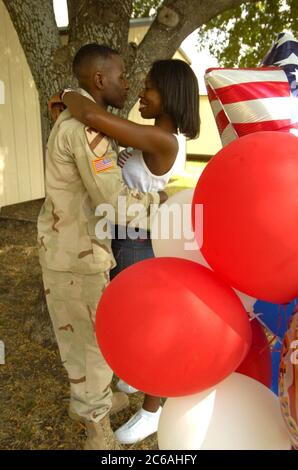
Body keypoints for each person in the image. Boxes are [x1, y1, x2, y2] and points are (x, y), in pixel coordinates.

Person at [61, 58, 200, 444]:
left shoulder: (162, 141)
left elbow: (90, 113)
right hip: (125, 236)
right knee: (133, 321)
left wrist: (68, 93)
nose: (141, 92)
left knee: (151, 330)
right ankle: (139, 379)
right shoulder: (149, 135)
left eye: (150, 87)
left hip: (139, 242)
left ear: (169, 97)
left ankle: (153, 410)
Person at [37, 43, 167, 450]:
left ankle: (96, 402)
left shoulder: (73, 120)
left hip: (67, 248)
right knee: (89, 347)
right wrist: (156, 202)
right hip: (78, 256)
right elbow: (115, 205)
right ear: (99, 80)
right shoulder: (86, 130)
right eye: (121, 76)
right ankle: (96, 429)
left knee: (86, 338)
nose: (126, 83)